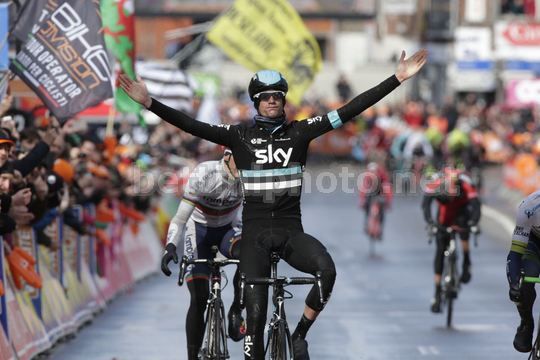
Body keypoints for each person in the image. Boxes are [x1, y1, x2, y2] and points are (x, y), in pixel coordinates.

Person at [120, 48, 427, 360]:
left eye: (277, 97)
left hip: (291, 232)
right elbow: (192, 126)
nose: (272, 101)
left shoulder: (301, 132)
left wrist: (397, 79)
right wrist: (150, 103)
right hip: (254, 237)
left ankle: (298, 336)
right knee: (254, 328)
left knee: (327, 271)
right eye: (265, 97)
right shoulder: (238, 135)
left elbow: (350, 109)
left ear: (283, 102)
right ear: (256, 102)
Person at [160, 150, 244, 360]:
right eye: (238, 159)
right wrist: (170, 246)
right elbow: (179, 219)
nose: (242, 165)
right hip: (198, 230)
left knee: (248, 253)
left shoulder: (251, 177)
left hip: (228, 229)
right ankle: (192, 356)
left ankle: (236, 309)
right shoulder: (204, 174)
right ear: (226, 156)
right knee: (199, 297)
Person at [422, 167, 481, 313]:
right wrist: (430, 222)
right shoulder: (436, 183)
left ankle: (467, 261)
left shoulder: (466, 185)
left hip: (461, 212)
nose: (452, 195)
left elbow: (476, 206)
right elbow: (426, 204)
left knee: (465, 227)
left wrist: (473, 223)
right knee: (440, 250)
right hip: (444, 216)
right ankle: (437, 292)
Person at [506, 190, 540, 353]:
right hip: (534, 245)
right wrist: (514, 283)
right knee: (527, 279)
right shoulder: (530, 207)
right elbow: (515, 254)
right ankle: (526, 322)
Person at [359, 161, 392, 237]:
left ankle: (380, 228)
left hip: (380, 192)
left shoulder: (383, 176)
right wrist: (362, 201)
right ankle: (366, 223)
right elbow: (363, 189)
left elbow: (387, 188)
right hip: (371, 193)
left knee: (382, 210)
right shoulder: (367, 176)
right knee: (366, 206)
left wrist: (388, 202)